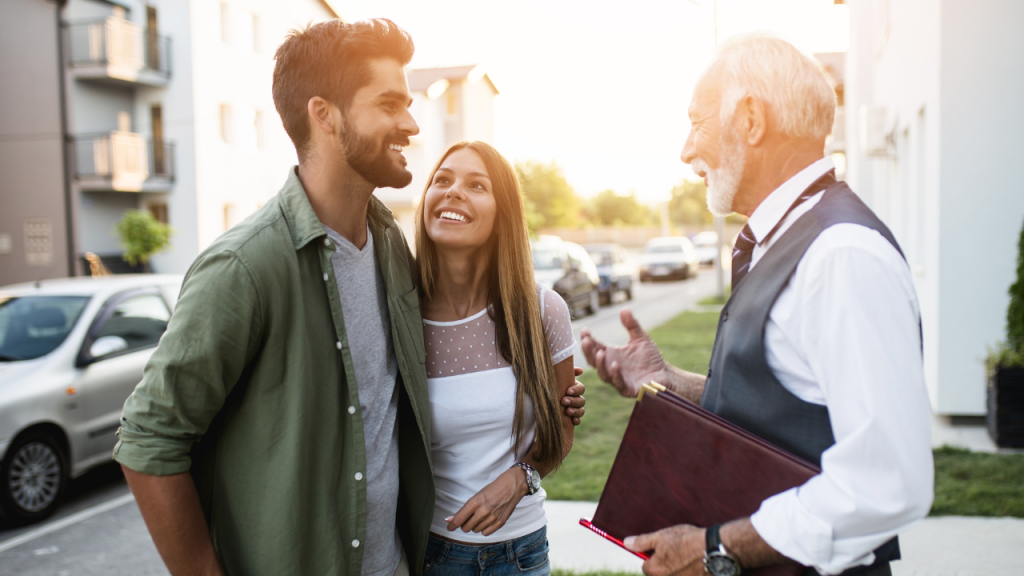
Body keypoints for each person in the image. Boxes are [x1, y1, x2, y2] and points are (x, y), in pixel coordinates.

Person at [112, 20, 586, 576]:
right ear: (325, 115)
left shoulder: (390, 250)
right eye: (390, 104)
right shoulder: (245, 267)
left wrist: (549, 413)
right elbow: (150, 439)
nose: (410, 124)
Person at [580, 34, 933, 576]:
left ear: (749, 120)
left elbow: (886, 481)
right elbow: (793, 407)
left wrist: (715, 547)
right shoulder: (781, 240)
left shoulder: (842, 256)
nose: (685, 149)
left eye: (696, 122)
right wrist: (672, 382)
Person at [413, 141, 577, 576]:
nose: (453, 192)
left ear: (502, 212)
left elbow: (562, 426)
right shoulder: (401, 315)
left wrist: (522, 476)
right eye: (442, 180)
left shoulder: (543, 311)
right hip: (433, 555)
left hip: (521, 556)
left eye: (476, 185)